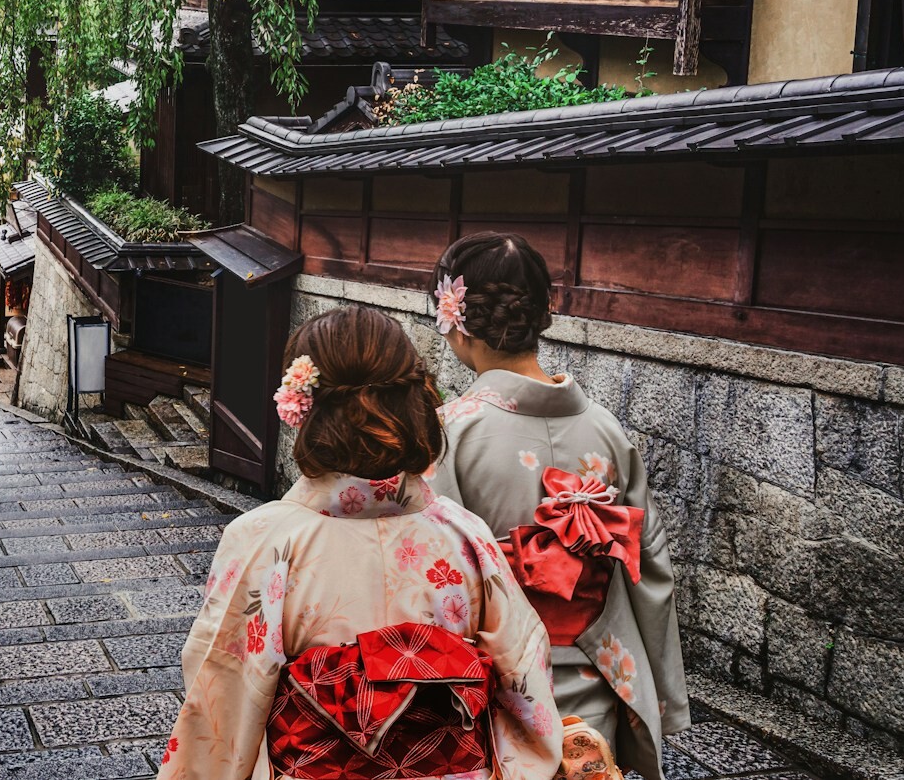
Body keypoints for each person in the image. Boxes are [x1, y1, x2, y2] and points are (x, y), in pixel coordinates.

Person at [158, 306, 562, 780]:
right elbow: (524, 677)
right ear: (413, 399)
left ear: (304, 405)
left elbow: (223, 693)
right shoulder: (466, 535)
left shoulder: (264, 541)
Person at [425, 232, 689, 780]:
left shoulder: (452, 434)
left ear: (457, 318)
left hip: (493, 682)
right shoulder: (609, 432)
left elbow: (436, 576)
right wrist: (662, 695)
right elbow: (652, 573)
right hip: (597, 675)